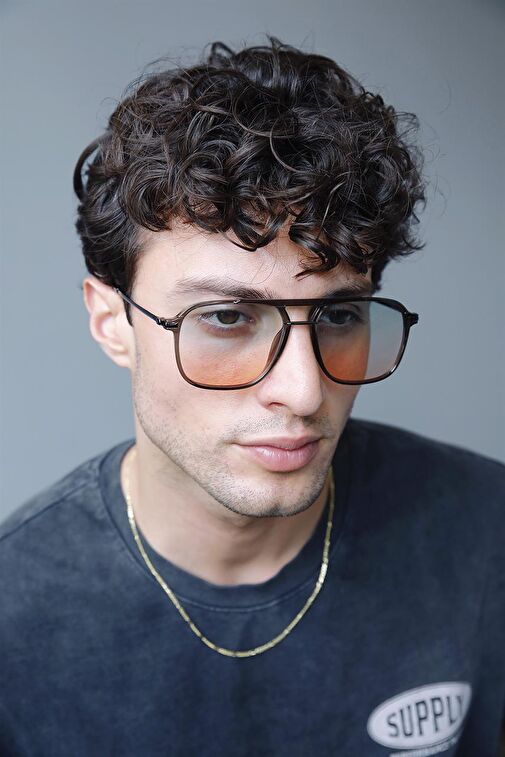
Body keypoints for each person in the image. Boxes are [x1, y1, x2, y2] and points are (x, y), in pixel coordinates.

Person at [0, 35, 503, 757]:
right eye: (227, 318)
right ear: (112, 323)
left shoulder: (484, 529)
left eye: (338, 315)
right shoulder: (15, 618)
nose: (303, 390)